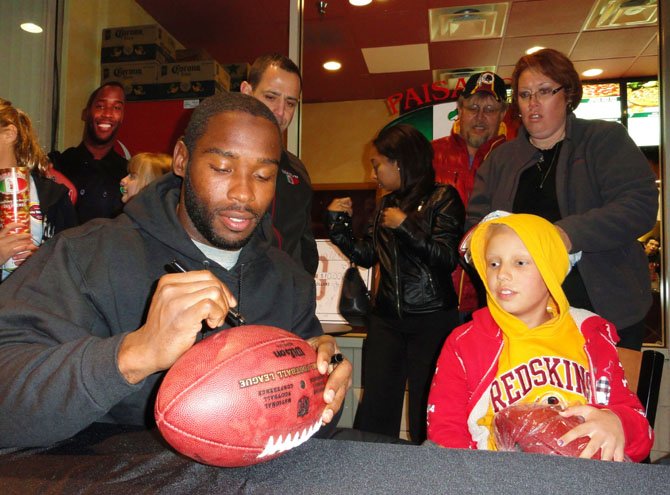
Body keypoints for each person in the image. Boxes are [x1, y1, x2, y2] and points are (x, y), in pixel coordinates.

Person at [0, 92, 351, 448]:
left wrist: (322, 381)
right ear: (182, 160)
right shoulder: (84, 256)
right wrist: (134, 355)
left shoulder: (289, 282)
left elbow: (307, 424)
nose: (244, 194)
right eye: (222, 168)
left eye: (262, 175)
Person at [467, 48, 658, 350]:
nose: (532, 104)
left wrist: (565, 235)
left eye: (544, 91)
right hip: (522, 323)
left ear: (568, 94)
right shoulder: (500, 159)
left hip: (606, 312)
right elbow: (476, 225)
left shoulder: (604, 139)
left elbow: (639, 206)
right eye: (524, 94)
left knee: (600, 400)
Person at [426, 213, 654, 462]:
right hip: (493, 473)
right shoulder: (464, 342)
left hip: (585, 474)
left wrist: (617, 422)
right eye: (493, 263)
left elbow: (639, 429)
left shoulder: (590, 336)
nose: (502, 274)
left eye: (520, 263)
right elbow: (445, 430)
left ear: (551, 268)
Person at [326, 124, 464, 443]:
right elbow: (367, 254)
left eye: (377, 165)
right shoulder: (387, 204)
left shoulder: (443, 197)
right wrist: (338, 225)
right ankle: (372, 474)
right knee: (377, 403)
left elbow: (447, 258)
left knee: (425, 404)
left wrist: (405, 228)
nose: (373, 173)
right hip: (386, 318)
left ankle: (422, 475)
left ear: (398, 161)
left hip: (432, 319)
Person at [432, 71, 508, 316]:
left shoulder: (515, 158)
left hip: (494, 292)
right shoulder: (430, 154)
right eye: (473, 107)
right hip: (434, 292)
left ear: (503, 114)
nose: (480, 116)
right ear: (460, 110)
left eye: (490, 109)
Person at [241, 54, 319, 276]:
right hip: (223, 297)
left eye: (290, 103)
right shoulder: (213, 155)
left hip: (281, 299)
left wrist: (301, 291)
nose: (280, 111)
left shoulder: (297, 171)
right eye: (271, 97)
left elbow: (304, 244)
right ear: (247, 92)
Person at [0, 98, 77, 280]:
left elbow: (75, 268)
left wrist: (42, 262)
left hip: (35, 305)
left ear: (9, 134)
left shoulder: (53, 197)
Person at [50, 82, 128, 224]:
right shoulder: (57, 164)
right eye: (100, 106)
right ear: (86, 113)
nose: (108, 114)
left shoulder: (128, 173)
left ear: (122, 117)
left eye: (116, 108)